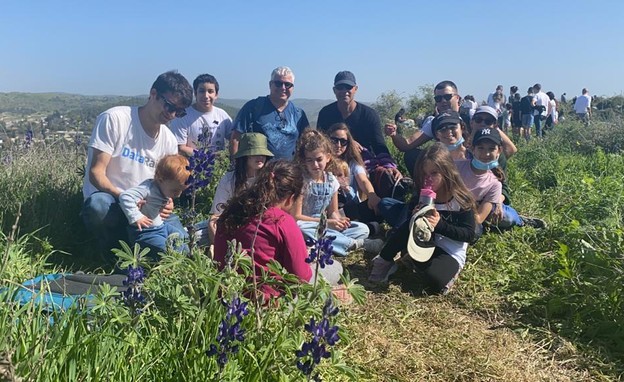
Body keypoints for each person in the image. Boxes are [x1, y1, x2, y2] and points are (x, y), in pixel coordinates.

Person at [81, 70, 193, 262]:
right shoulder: (115, 119)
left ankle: (142, 254)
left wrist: (168, 201)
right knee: (98, 206)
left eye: (179, 112)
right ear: (153, 93)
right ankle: (112, 252)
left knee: (183, 245)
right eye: (169, 106)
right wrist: (127, 199)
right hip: (114, 202)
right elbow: (95, 173)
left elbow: (166, 180)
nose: (172, 115)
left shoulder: (168, 139)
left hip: (150, 207)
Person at [213, 160, 344, 301]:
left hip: (226, 295)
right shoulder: (282, 221)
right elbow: (301, 278)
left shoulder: (231, 211)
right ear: (291, 198)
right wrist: (306, 258)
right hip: (268, 301)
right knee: (336, 268)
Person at [368, 143, 476, 295]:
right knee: (407, 225)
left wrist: (440, 225)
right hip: (424, 241)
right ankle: (385, 260)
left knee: (434, 283)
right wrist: (415, 217)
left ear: (447, 172)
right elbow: (405, 230)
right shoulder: (421, 196)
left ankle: (436, 268)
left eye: (434, 173)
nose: (428, 179)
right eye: (424, 174)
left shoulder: (461, 200)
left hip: (450, 250)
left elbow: (469, 235)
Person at [294, 129, 382, 257]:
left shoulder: (331, 180)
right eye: (309, 160)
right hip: (308, 224)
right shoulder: (301, 181)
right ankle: (355, 244)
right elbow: (296, 216)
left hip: (325, 226)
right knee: (301, 228)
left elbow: (333, 212)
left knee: (362, 228)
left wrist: (338, 221)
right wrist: (327, 223)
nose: (315, 164)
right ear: (304, 161)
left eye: (319, 159)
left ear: (328, 157)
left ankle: (331, 243)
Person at [457, 127, 545, 233]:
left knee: (507, 217)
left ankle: (520, 220)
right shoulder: (457, 167)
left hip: (482, 206)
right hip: (458, 208)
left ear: (499, 150)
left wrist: (496, 203)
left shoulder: (495, 180)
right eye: (481, 148)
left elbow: (479, 217)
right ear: (472, 148)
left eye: (491, 149)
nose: (486, 153)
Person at [230, 66, 309, 160]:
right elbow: (236, 138)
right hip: (259, 171)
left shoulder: (299, 114)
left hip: (289, 172)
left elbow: (307, 142)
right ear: (270, 84)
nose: (283, 88)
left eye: (287, 84)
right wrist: (236, 165)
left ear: (292, 88)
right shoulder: (253, 107)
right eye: (278, 83)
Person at [118, 155, 190, 258]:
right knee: (164, 249)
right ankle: (171, 260)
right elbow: (125, 196)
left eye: (181, 191)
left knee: (182, 237)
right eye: (175, 190)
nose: (178, 194)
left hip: (162, 226)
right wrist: (137, 216)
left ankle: (181, 258)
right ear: (160, 180)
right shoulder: (148, 189)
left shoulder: (164, 189)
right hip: (145, 232)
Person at [208, 133, 273, 242]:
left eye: (263, 153)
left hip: (262, 226)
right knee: (195, 232)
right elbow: (216, 214)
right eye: (254, 153)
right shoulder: (229, 179)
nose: (260, 157)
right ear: (245, 156)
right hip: (233, 224)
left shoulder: (270, 178)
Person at [384, 80, 462, 173]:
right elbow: (407, 145)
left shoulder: (475, 119)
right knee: (412, 155)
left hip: (469, 165)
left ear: (457, 98)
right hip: (444, 167)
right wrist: (394, 134)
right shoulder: (434, 122)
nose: (443, 101)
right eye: (438, 99)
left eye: (447, 97)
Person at [317, 71, 390, 156]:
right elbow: (320, 143)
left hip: (364, 162)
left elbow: (379, 146)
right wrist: (349, 144)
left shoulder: (369, 115)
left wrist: (388, 165)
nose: (344, 91)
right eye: (340, 87)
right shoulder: (325, 113)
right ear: (334, 90)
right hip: (334, 162)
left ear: (355, 89)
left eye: (348, 87)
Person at [327, 123, 382, 220]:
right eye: (334, 140)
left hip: (350, 204)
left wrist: (371, 195)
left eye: (343, 141)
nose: (338, 145)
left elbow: (363, 180)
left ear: (348, 143)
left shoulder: (352, 163)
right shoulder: (321, 162)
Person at [170, 74, 233, 156]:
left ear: (216, 95)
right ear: (195, 93)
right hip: (190, 166)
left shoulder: (222, 115)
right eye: (202, 91)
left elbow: (234, 138)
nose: (206, 96)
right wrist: (206, 157)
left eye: (210, 91)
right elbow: (180, 148)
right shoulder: (182, 116)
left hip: (220, 166)